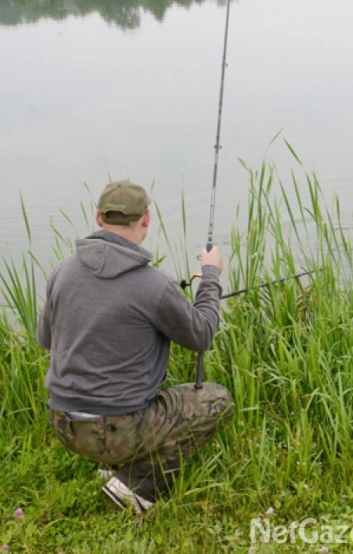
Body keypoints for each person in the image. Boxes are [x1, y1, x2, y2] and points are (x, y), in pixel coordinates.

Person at [36, 179, 234, 514]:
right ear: (146, 218)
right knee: (217, 400)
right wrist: (210, 276)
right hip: (118, 429)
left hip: (63, 424)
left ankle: (110, 458)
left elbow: (45, 341)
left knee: (136, 403)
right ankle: (136, 487)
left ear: (99, 218)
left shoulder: (62, 271)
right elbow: (201, 336)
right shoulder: (154, 285)